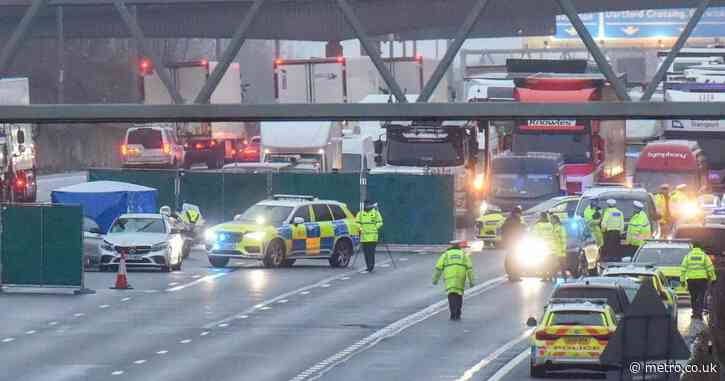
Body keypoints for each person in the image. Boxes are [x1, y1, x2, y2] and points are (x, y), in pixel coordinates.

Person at [433, 240, 475, 320]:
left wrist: (435, 280)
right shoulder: (463, 254)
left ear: (450, 247)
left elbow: (438, 268)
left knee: (451, 295)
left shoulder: (446, 255)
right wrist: (471, 281)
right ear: (459, 247)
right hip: (460, 277)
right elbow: (469, 269)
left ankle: (453, 313)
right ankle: (458, 313)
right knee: (459, 295)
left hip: (449, 277)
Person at [680, 246, 717, 320]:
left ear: (693, 247)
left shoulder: (688, 256)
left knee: (693, 297)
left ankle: (694, 313)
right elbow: (710, 268)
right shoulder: (704, 256)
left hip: (691, 280)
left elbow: (683, 269)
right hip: (702, 280)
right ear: (700, 247)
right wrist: (713, 278)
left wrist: (682, 280)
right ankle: (699, 314)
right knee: (701, 297)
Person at [356, 200, 383, 272]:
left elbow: (380, 222)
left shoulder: (375, 213)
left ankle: (371, 266)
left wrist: (375, 227)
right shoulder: (360, 214)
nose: (366, 206)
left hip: (373, 237)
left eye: (368, 205)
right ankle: (368, 266)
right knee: (366, 253)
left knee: (371, 252)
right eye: (365, 205)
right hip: (364, 237)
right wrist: (360, 228)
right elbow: (357, 223)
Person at [532, 212, 556, 279]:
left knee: (543, 263)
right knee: (550, 263)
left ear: (541, 217)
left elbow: (534, 236)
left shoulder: (538, 225)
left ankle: (544, 277)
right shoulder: (551, 225)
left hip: (542, 247)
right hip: (551, 247)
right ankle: (551, 276)